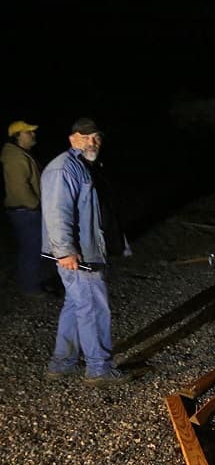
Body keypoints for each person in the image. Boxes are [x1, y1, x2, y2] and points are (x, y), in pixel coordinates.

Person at [41, 117, 133, 385]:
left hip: (86, 249)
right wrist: (66, 250)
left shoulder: (87, 165)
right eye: (85, 137)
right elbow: (58, 213)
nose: (92, 142)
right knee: (92, 306)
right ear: (72, 139)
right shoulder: (64, 169)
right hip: (79, 255)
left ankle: (62, 362)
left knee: (76, 304)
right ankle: (99, 368)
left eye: (96, 137)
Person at [2, 119, 46, 296]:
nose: (33, 135)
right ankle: (30, 288)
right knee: (31, 249)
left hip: (26, 210)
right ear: (17, 136)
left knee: (31, 248)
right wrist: (35, 205)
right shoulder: (15, 157)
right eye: (28, 132)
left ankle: (30, 284)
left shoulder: (21, 154)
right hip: (25, 211)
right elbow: (20, 188)